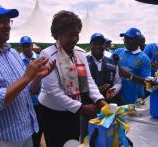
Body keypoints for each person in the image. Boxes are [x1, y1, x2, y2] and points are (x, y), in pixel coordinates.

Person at [0, 1, 54, 147]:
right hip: (2, 140)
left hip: (27, 132)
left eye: (8, 20)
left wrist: (37, 78)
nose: (7, 25)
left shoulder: (13, 53)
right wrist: (27, 77)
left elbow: (28, 91)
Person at [38, 10, 107, 147]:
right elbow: (53, 91)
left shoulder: (80, 54)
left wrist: (100, 100)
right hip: (53, 113)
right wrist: (81, 108)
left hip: (73, 111)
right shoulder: (47, 55)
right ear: (58, 35)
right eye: (70, 35)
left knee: (73, 142)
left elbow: (88, 80)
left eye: (77, 34)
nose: (75, 39)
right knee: (57, 143)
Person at [111, 27, 151, 104]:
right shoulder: (118, 52)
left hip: (134, 102)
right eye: (124, 38)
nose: (125, 41)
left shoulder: (144, 58)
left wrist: (130, 76)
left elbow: (147, 83)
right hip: (117, 99)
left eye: (128, 39)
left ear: (137, 41)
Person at [19, 36, 43, 147]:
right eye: (24, 46)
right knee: (29, 129)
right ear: (21, 47)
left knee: (39, 129)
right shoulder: (18, 60)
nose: (26, 48)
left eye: (28, 45)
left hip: (40, 101)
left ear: (31, 45)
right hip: (26, 102)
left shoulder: (39, 58)